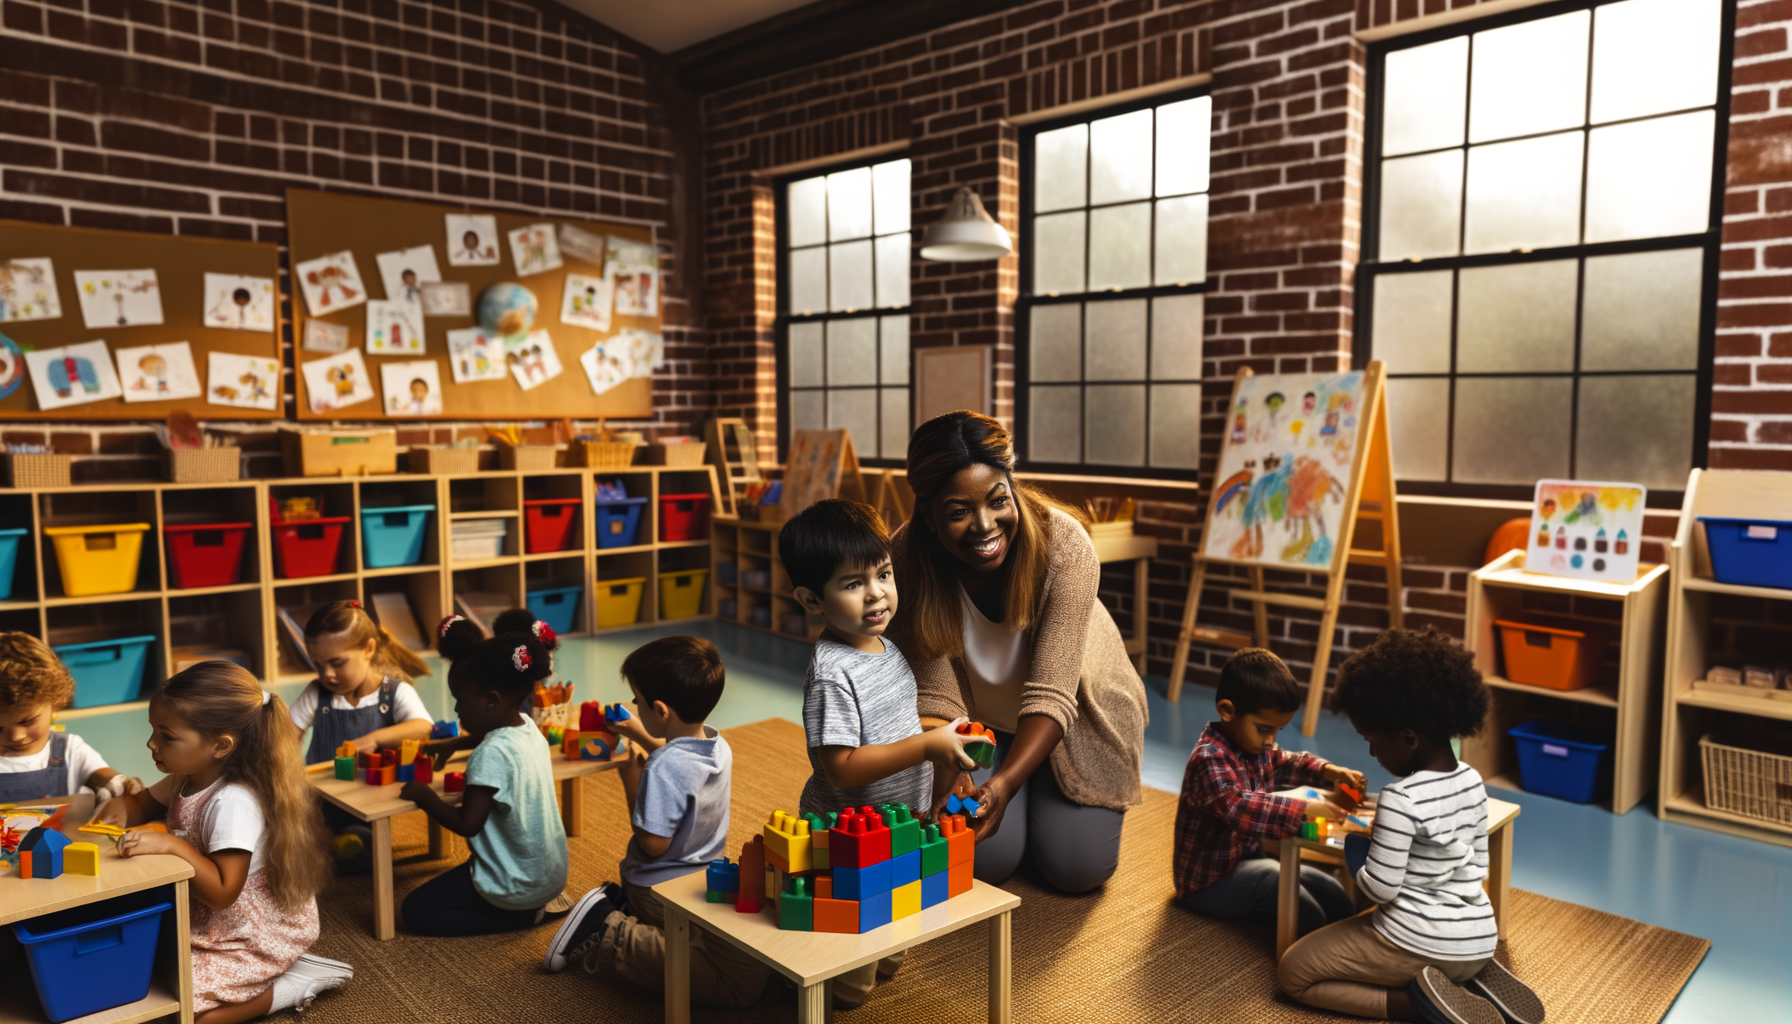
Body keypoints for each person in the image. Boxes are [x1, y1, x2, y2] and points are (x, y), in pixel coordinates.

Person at [888, 410, 1148, 892]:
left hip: (1075, 719)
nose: (985, 526)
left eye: (996, 500)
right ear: (928, 513)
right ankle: (1022, 792)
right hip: (978, 727)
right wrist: (954, 773)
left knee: (1076, 870)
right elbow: (936, 696)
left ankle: (1038, 783)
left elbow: (1053, 693)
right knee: (985, 863)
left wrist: (1004, 785)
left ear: (1011, 485)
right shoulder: (905, 558)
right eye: (958, 511)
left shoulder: (1066, 545)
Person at [779, 498, 993, 1007]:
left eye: (883, 574)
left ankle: (872, 959)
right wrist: (925, 744)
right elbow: (843, 767)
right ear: (812, 601)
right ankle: (820, 981)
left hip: (897, 820)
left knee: (897, 923)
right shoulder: (832, 673)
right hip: (847, 834)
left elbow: (893, 726)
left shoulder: (884, 646)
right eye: (853, 584)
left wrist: (946, 734)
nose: (876, 595)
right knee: (851, 976)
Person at [1279, 629, 1545, 1024]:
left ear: (1408, 738)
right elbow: (1479, 866)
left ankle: (1421, 1006)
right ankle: (1466, 975)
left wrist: (1360, 861)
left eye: (1373, 741)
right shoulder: (1473, 780)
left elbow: (1382, 889)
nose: (1371, 751)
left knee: (1293, 972)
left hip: (1416, 940)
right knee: (1436, 942)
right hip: (1479, 935)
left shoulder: (1400, 798)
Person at [96, 663, 350, 1022]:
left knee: (184, 1010)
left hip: (252, 933)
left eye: (166, 736)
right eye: (153, 730)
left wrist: (174, 846)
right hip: (209, 921)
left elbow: (222, 892)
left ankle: (289, 985)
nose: (151, 743)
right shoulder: (185, 778)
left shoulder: (232, 802)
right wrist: (120, 808)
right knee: (140, 980)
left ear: (220, 746)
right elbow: (141, 804)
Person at [544, 636, 770, 1009]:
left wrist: (631, 778)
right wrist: (637, 732)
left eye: (637, 700)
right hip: (694, 879)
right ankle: (622, 912)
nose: (634, 705)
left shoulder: (662, 769)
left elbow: (653, 843)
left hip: (658, 885)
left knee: (712, 957)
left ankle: (607, 920)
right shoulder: (716, 744)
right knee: (723, 948)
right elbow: (678, 762)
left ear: (661, 710)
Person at [1173, 648, 1365, 935]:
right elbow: (1240, 809)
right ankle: (1313, 957)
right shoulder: (1208, 758)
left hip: (1248, 862)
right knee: (1295, 899)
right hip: (1207, 884)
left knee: (1332, 890)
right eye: (1264, 728)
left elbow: (1287, 761)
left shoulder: (1254, 745)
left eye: (1277, 730)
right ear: (1227, 710)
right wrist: (1307, 810)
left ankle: (1345, 940)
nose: (1270, 740)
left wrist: (1329, 770)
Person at [398, 617, 568, 936]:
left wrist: (424, 795)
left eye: (460, 699)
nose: (456, 709)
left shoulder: (489, 754)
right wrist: (455, 742)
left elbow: (468, 823)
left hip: (518, 886)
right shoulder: (529, 729)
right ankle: (530, 905)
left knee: (415, 911)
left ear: (490, 700)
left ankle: (518, 918)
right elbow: (496, 737)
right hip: (551, 878)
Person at [289, 600, 433, 862]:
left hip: (372, 796)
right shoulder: (316, 693)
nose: (327, 675)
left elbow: (423, 727)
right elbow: (286, 736)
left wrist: (374, 739)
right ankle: (332, 846)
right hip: (323, 796)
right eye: (318, 665)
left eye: (337, 663)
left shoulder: (395, 692)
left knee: (363, 845)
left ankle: (342, 847)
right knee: (295, 829)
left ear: (369, 649)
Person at [0, 632, 143, 803]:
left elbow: (106, 778)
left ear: (54, 702)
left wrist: (123, 785)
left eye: (27, 721)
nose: (16, 736)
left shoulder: (70, 750)